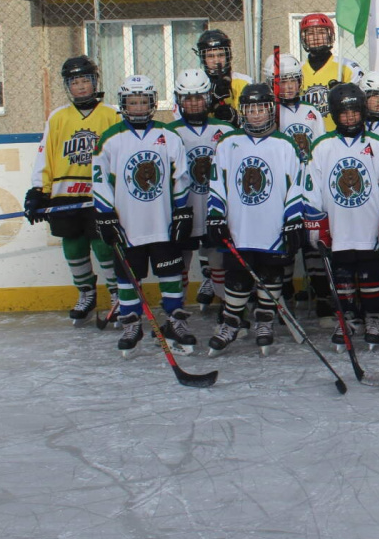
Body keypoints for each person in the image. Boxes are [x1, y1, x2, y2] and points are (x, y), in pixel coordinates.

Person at [91, 75, 193, 356]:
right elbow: (99, 181)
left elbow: (180, 177)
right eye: (132, 102)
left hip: (162, 221)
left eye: (143, 102)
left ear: (152, 103)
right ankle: (131, 322)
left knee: (171, 271)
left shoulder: (168, 136)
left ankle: (175, 320)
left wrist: (183, 210)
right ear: (123, 105)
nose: (137, 108)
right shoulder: (111, 139)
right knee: (128, 277)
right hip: (128, 225)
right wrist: (106, 215)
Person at [206, 83, 306, 355]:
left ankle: (265, 321)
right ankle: (230, 322)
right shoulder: (228, 143)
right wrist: (215, 215)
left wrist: (294, 219)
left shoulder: (285, 145)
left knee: (271, 273)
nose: (257, 114)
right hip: (240, 224)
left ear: (270, 110)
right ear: (243, 112)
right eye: (251, 109)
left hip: (272, 224)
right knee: (237, 274)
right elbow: (217, 182)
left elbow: (297, 184)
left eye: (262, 108)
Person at [304, 84, 379, 349]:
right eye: (344, 113)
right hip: (338, 227)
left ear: (362, 112)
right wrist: (318, 223)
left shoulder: (376, 144)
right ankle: (346, 319)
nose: (350, 118)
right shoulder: (322, 146)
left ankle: (374, 317)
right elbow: (311, 187)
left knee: (371, 274)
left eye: (354, 112)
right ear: (335, 115)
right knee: (342, 275)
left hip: (368, 226)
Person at [25, 56, 121, 325]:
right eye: (74, 82)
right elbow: (45, 155)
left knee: (103, 246)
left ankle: (117, 295)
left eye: (85, 81)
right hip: (65, 195)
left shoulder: (111, 114)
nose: (80, 87)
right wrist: (38, 190)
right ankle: (86, 293)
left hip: (98, 195)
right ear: (68, 85)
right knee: (74, 246)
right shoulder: (58, 117)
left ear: (95, 82)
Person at [167, 69, 235, 317]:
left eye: (198, 97)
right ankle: (177, 313)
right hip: (185, 210)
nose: (193, 103)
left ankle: (229, 311)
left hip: (214, 212)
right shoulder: (169, 133)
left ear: (208, 98)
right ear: (179, 100)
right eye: (187, 98)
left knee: (218, 261)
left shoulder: (226, 130)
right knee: (180, 262)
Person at [268, 52, 330, 320]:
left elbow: (321, 149)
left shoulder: (312, 112)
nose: (290, 86)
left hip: (310, 186)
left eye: (293, 80)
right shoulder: (269, 112)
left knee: (313, 243)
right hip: (281, 190)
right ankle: (285, 295)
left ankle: (322, 295)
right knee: (285, 244)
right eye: (283, 81)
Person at [298, 13, 364, 131]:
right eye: (310, 34)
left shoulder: (347, 67)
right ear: (304, 38)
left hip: (339, 135)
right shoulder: (297, 70)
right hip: (308, 134)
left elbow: (360, 107)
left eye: (321, 33)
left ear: (330, 36)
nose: (316, 38)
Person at [194, 30, 252, 123]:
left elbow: (255, 117)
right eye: (210, 56)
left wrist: (237, 119)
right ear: (203, 58)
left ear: (228, 56)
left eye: (220, 55)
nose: (216, 61)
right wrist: (211, 103)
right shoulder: (194, 83)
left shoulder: (245, 81)